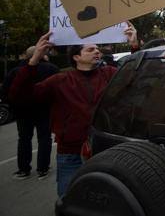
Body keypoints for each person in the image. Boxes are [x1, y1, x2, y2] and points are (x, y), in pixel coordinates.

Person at [9, 23, 139, 196]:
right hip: (70, 155)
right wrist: (33, 61)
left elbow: (136, 79)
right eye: (90, 49)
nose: (97, 51)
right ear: (76, 57)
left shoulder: (109, 73)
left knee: (108, 200)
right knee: (70, 199)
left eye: (97, 49)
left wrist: (134, 46)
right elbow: (19, 97)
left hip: (107, 150)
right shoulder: (59, 81)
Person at [4, 46, 58, 180]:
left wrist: (13, 108)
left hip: (22, 111)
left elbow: (6, 92)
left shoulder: (15, 71)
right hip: (44, 110)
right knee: (44, 138)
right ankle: (43, 169)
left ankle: (23, 169)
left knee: (24, 139)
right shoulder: (51, 69)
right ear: (43, 55)